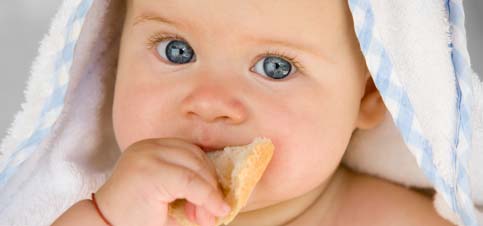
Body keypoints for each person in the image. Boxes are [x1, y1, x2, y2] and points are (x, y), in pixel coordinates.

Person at [49, 0, 456, 225]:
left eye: (275, 67)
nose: (209, 102)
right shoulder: (120, 212)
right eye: (177, 50)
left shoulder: (392, 220)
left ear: (369, 95)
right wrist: (106, 217)